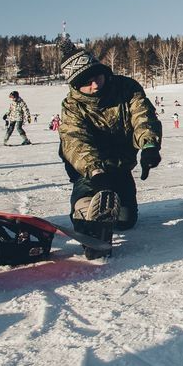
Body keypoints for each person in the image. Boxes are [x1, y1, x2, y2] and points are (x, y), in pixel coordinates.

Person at [58, 34, 162, 259]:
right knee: (87, 190)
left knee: (125, 221)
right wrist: (95, 172)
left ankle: (109, 212)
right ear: (76, 85)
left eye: (97, 77)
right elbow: (76, 141)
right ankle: (88, 217)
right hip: (89, 168)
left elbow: (142, 117)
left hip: (120, 165)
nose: (95, 85)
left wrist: (150, 145)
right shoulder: (72, 106)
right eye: (86, 82)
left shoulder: (127, 88)